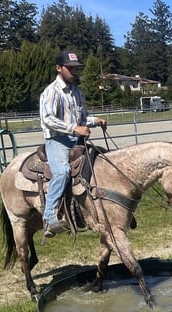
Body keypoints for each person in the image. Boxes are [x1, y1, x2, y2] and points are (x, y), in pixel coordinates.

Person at [39, 50, 107, 237]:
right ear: (59, 68)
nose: (74, 72)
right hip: (57, 140)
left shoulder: (77, 92)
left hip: (76, 139)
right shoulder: (51, 92)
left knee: (102, 160)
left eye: (76, 68)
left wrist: (95, 120)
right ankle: (49, 216)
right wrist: (74, 129)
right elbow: (48, 119)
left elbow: (82, 117)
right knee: (62, 172)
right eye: (70, 68)